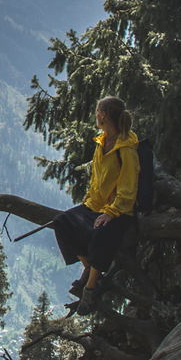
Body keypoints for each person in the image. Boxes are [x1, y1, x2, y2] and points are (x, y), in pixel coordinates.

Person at [50, 96, 140, 312]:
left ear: (104, 115)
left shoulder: (125, 147)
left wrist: (111, 212)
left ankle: (90, 290)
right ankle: (90, 268)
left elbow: (129, 187)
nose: (95, 114)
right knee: (61, 222)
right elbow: (97, 179)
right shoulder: (102, 142)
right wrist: (89, 203)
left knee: (101, 234)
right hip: (97, 205)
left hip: (120, 210)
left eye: (97, 110)